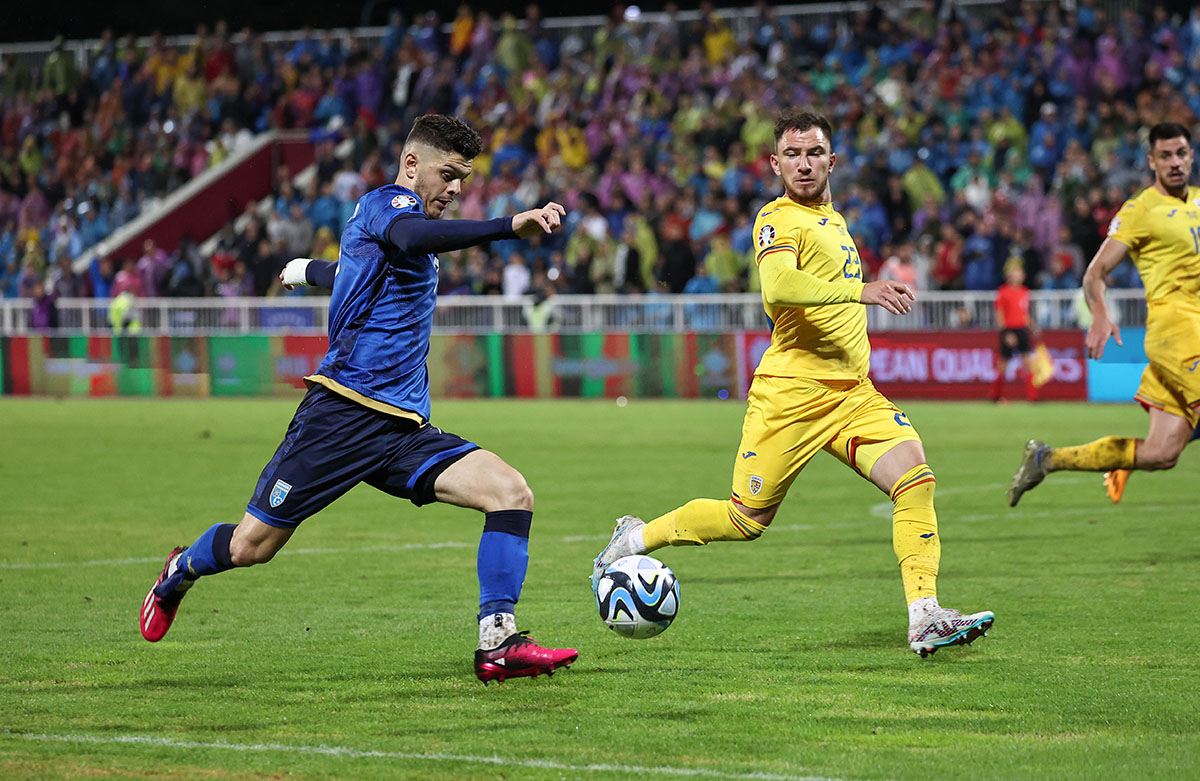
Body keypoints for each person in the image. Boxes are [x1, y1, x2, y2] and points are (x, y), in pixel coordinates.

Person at [140, 114, 578, 684]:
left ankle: (497, 642)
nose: (455, 189)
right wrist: (509, 225)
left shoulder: (396, 227)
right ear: (411, 164)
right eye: (449, 174)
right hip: (342, 415)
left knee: (511, 492)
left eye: (464, 180)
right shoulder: (386, 205)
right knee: (252, 547)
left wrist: (310, 271)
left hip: (402, 430)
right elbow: (408, 238)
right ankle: (181, 569)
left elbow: (361, 266)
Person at [591, 109, 994, 658]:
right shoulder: (776, 219)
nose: (804, 164)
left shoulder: (835, 221)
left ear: (832, 160)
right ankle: (635, 537)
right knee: (745, 519)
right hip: (792, 396)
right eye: (792, 155)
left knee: (915, 478)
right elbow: (779, 286)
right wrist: (861, 290)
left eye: (814, 153)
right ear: (775, 164)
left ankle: (925, 615)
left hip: (853, 394)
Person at [1008, 122, 1200, 507]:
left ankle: (1048, 459)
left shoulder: (1197, 200)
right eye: (1165, 156)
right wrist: (1100, 313)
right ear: (1152, 161)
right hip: (1177, 335)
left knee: (1162, 452)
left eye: (1181, 153)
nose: (1175, 162)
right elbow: (1095, 273)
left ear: (1191, 156)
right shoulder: (1140, 210)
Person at [991, 261, 1039, 403]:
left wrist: (1032, 326)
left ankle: (1032, 397)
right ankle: (995, 396)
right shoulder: (1003, 292)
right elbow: (999, 315)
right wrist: (1006, 333)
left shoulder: (1025, 292)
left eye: (1020, 273)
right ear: (1009, 275)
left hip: (1022, 330)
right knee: (1003, 364)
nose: (1019, 275)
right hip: (1009, 329)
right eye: (1016, 272)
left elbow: (1025, 313)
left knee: (1028, 363)